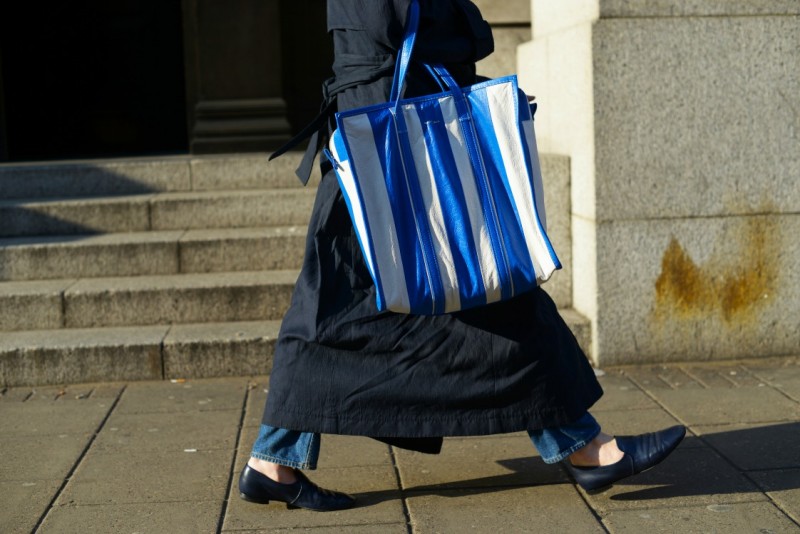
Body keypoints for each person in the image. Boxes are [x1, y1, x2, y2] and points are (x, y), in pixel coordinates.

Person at [238, 0, 685, 512]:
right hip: (394, 135)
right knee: (478, 288)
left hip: (387, 126)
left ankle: (272, 459)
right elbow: (391, 25)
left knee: (349, 304)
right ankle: (587, 449)